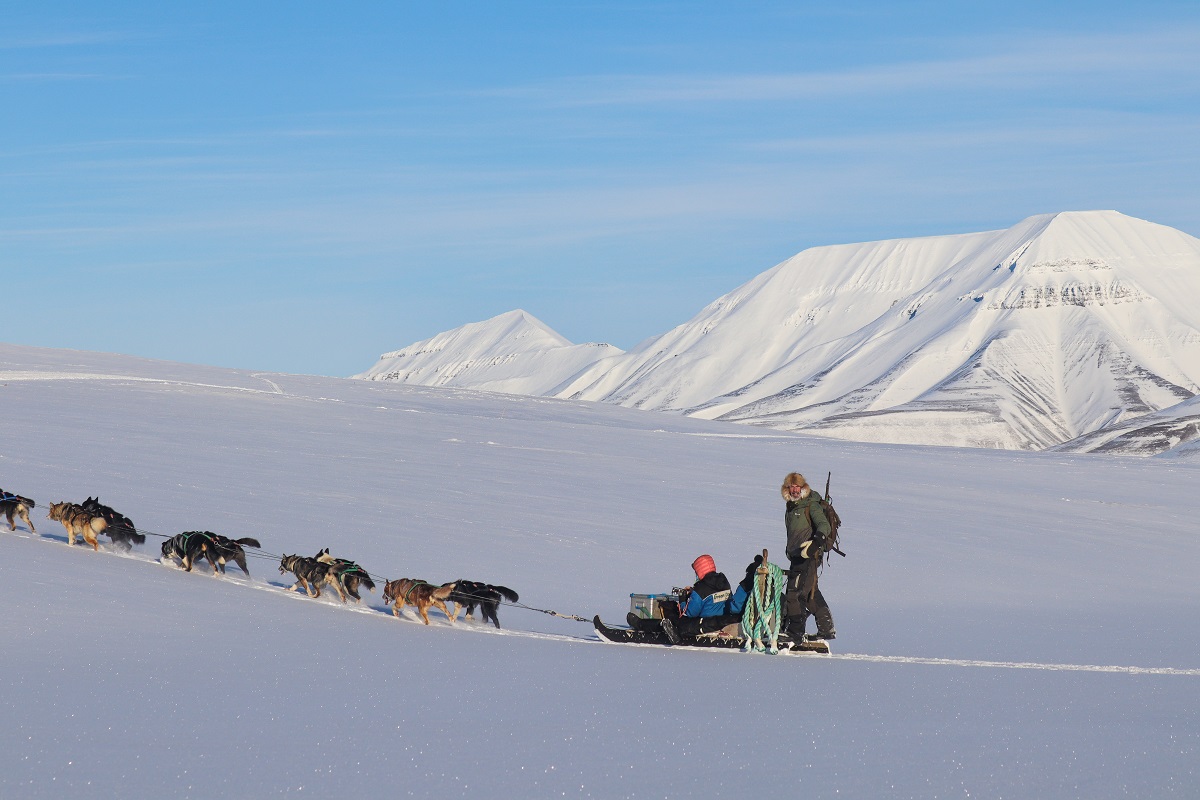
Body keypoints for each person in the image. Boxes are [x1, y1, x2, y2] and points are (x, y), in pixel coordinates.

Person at [627, 554, 743, 643]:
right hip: (721, 620)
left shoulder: (701, 588)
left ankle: (640, 624)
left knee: (673, 622)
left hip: (703, 623)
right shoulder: (724, 582)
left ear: (700, 571)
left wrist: (683, 599)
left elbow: (690, 613)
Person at [782, 472, 835, 641]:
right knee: (811, 591)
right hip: (796, 556)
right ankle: (826, 629)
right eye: (791, 487)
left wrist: (814, 543)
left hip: (808, 556)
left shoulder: (810, 504)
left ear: (803, 487)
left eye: (797, 486)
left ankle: (795, 633)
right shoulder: (791, 506)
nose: (795, 490)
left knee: (795, 593)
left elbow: (824, 525)